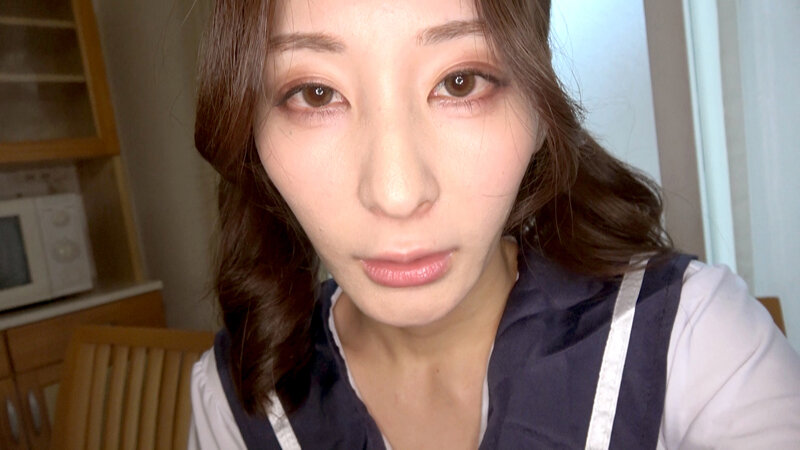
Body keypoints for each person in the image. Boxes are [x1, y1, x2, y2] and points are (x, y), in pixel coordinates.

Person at [188, 0, 800, 448]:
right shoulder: (237, 401)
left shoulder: (694, 343)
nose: (398, 194)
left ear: (540, 109)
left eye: (460, 83)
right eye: (316, 94)